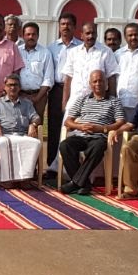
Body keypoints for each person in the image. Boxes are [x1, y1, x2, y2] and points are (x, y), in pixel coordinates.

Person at [58, 70, 125, 195]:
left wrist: (102, 129)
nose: (98, 84)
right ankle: (84, 184)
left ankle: (75, 183)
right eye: (95, 81)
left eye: (101, 81)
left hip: (99, 136)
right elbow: (68, 121)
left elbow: (120, 122)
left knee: (98, 146)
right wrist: (80, 126)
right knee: (65, 145)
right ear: (90, 84)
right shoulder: (82, 100)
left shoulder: (114, 101)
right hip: (81, 135)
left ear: (106, 84)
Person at [0, 74, 42, 187]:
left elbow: (36, 117)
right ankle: (8, 179)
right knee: (3, 143)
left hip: (23, 134)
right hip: (5, 134)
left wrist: (33, 124)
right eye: (10, 85)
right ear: (5, 87)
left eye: (15, 85)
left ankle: (25, 178)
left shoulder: (27, 103)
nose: (13, 87)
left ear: (19, 87)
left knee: (35, 143)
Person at [46, 12, 82, 170]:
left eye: (69, 24)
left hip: (75, 90)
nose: (65, 27)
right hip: (56, 90)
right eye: (62, 24)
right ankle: (52, 167)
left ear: (74, 27)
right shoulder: (52, 47)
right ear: (59, 27)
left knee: (72, 126)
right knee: (54, 127)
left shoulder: (81, 47)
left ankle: (70, 166)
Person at [60, 21, 118, 110]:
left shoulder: (106, 52)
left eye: (93, 33)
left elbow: (112, 78)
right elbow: (68, 79)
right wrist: (64, 102)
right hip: (75, 101)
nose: (91, 36)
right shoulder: (73, 52)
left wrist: (112, 103)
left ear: (97, 34)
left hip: (98, 104)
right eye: (87, 33)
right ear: (81, 35)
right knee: (70, 124)